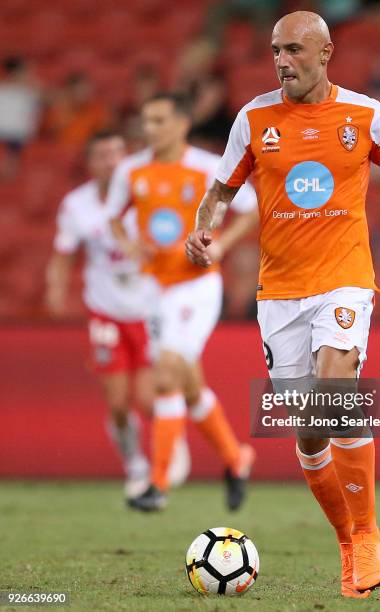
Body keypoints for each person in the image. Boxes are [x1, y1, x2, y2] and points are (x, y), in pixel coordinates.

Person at [186, 11, 380, 599]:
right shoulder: (254, 119)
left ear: (326, 53)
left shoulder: (367, 116)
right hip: (281, 294)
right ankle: (346, 539)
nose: (282, 61)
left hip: (345, 279)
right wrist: (202, 230)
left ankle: (367, 533)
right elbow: (220, 190)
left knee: (337, 384)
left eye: (294, 49)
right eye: (275, 50)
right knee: (311, 431)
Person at [106, 92, 258, 512]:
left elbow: (251, 208)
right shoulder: (130, 170)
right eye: (146, 121)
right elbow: (114, 216)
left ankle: (157, 484)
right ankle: (235, 457)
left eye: (158, 121)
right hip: (154, 288)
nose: (149, 129)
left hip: (197, 284)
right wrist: (128, 244)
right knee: (189, 386)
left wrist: (222, 244)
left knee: (166, 377)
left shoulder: (207, 168)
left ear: (181, 124)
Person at [45, 130, 190, 499]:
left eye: (117, 153)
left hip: (146, 307)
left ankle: (168, 447)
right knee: (117, 402)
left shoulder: (146, 193)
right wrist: (56, 287)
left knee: (145, 397)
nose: (112, 161)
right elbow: (64, 253)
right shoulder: (76, 204)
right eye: (102, 155)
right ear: (90, 162)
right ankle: (135, 465)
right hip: (105, 311)